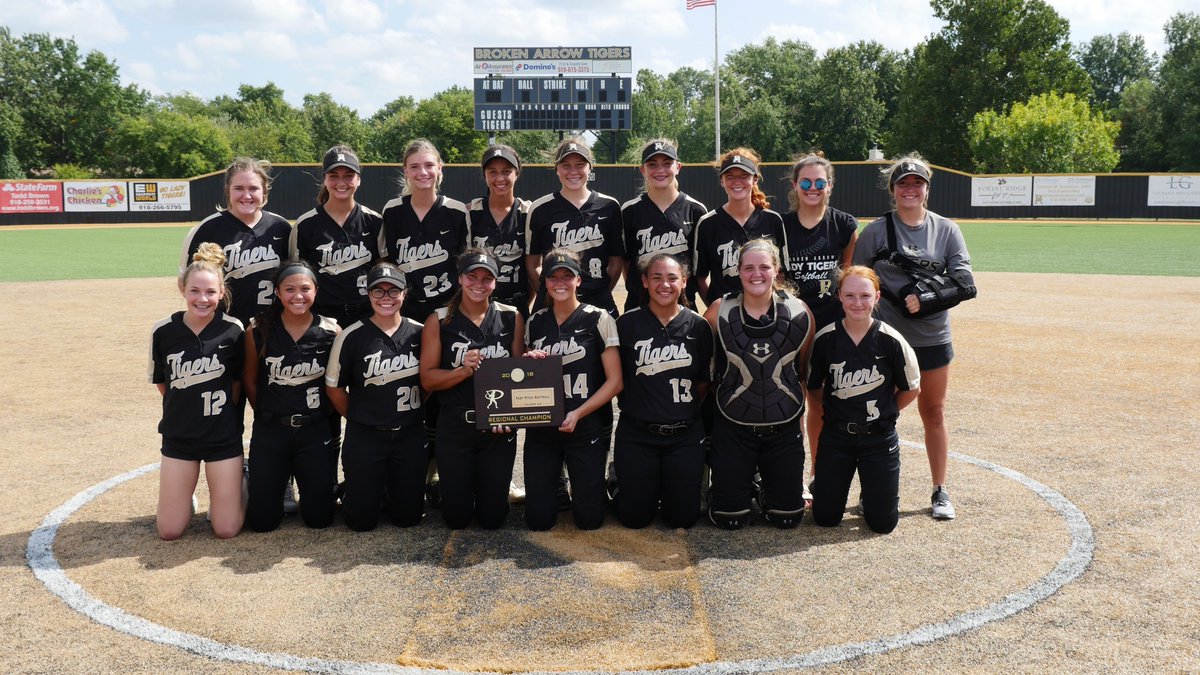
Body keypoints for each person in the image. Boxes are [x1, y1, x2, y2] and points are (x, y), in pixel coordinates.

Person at [852, 154, 977, 520]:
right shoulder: (876, 231)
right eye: (903, 183)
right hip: (886, 336)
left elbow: (965, 282)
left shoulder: (947, 229)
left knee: (933, 412)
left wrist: (928, 296)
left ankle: (940, 490)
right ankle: (872, 490)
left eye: (917, 183)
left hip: (932, 336)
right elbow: (859, 277)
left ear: (927, 189)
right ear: (893, 190)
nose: (910, 189)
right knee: (876, 413)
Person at [704, 239, 814, 530]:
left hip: (782, 427)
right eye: (748, 267)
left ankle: (769, 485)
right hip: (733, 426)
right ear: (738, 271)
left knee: (787, 517)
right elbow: (706, 367)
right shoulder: (719, 311)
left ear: (776, 270)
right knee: (729, 519)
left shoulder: (800, 312)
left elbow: (800, 373)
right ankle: (736, 482)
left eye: (764, 267)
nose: (757, 274)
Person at [806, 266, 921, 534]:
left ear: (877, 297)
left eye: (865, 296)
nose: (857, 303)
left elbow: (911, 388)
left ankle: (878, 495)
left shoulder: (891, 341)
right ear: (839, 297)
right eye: (850, 295)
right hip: (837, 437)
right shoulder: (825, 339)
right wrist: (838, 410)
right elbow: (814, 387)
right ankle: (826, 487)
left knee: (882, 524)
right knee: (825, 517)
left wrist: (885, 411)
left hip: (878, 439)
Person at [419, 250, 524, 529]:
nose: (479, 283)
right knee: (456, 518)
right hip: (456, 425)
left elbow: (520, 376)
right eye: (472, 276)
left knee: (493, 519)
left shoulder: (511, 317)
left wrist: (510, 416)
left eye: (487, 278)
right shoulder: (439, 320)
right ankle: (450, 488)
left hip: (497, 428)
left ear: (495, 282)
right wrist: (462, 371)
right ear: (460, 278)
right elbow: (428, 379)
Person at [149, 243, 245, 540]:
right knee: (169, 531)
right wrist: (187, 407)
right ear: (182, 288)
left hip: (222, 437)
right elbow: (164, 384)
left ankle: (244, 482)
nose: (202, 299)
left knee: (226, 529)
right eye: (195, 291)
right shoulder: (164, 330)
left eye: (210, 293)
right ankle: (184, 499)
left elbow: (238, 384)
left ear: (222, 293)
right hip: (180, 436)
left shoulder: (233, 329)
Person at [523, 249, 623, 530]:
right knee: (539, 521)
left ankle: (611, 478)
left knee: (589, 520)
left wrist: (578, 413)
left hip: (584, 425)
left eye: (567, 276)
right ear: (545, 281)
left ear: (579, 280)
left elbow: (615, 382)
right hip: (543, 428)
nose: (560, 282)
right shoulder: (536, 321)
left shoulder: (598, 318)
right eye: (553, 276)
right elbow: (523, 380)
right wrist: (527, 363)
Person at [779, 152, 859, 500]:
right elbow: (776, 277)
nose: (813, 189)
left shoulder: (844, 225)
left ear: (830, 185)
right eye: (806, 182)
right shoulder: (780, 224)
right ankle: (794, 477)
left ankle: (818, 475)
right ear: (795, 185)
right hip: (793, 325)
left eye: (820, 183)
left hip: (831, 326)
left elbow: (850, 275)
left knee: (822, 402)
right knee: (793, 399)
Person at [613, 254, 712, 528]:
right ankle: (620, 479)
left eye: (672, 278)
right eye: (656, 277)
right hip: (637, 434)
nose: (664, 285)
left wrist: (677, 410)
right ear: (644, 281)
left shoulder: (698, 326)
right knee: (634, 519)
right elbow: (617, 379)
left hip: (684, 435)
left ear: (684, 282)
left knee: (681, 520)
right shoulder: (626, 324)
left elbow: (703, 382)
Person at [325, 263, 427, 530]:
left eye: (393, 291)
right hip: (366, 435)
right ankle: (361, 489)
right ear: (368, 294)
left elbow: (428, 382)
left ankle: (387, 489)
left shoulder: (420, 331)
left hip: (409, 433)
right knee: (360, 523)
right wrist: (362, 415)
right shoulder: (351, 335)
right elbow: (335, 389)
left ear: (405, 293)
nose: (386, 298)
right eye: (378, 291)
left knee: (409, 519)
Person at [242, 261, 340, 532]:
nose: (298, 296)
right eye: (290, 289)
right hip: (271, 429)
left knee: (319, 520)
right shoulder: (259, 329)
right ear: (277, 292)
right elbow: (250, 381)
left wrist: (321, 415)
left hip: (314, 429)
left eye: (305, 289)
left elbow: (335, 383)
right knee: (262, 522)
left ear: (316, 291)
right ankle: (254, 472)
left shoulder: (331, 331)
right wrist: (267, 414)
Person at [180, 158, 292, 326]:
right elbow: (186, 280)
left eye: (254, 188)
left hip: (273, 328)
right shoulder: (206, 229)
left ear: (264, 192)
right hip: (221, 330)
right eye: (239, 188)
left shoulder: (281, 227)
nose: (246, 195)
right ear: (228, 190)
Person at [525, 138, 624, 317]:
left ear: (590, 168)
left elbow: (616, 262)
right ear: (557, 169)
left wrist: (600, 289)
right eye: (566, 165)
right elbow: (533, 264)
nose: (573, 171)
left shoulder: (609, 206)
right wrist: (551, 291)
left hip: (598, 299)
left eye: (580, 164)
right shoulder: (540, 208)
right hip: (552, 300)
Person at [290, 145, 385, 329]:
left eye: (348, 175)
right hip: (321, 317)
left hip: (367, 313)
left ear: (358, 179)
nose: (341, 182)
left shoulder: (374, 221)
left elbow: (384, 269)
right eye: (334, 176)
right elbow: (296, 275)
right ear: (325, 179)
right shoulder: (305, 224)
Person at [382, 139, 469, 323]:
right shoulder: (392, 211)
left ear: (439, 168)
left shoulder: (457, 211)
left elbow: (465, 264)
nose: (422, 172)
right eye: (414, 166)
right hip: (403, 308)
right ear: (405, 170)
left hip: (447, 307)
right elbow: (385, 261)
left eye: (429, 165)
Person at [619, 139, 708, 312]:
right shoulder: (629, 210)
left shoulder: (695, 210)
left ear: (678, 167)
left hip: (684, 307)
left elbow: (699, 268)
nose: (660, 170)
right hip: (639, 307)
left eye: (667, 164)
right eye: (652, 164)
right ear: (643, 170)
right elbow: (627, 263)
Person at [693, 148, 785, 307]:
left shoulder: (772, 220)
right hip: (725, 315)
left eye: (744, 176)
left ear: (755, 179)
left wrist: (773, 305)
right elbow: (700, 276)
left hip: (766, 312)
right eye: (730, 176)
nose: (737, 181)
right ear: (722, 181)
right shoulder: (708, 223)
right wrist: (716, 307)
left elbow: (781, 272)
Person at [467, 144, 533, 316]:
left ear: (517, 173)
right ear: (484, 175)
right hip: (478, 305)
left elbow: (533, 265)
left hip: (516, 306)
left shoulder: (529, 213)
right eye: (492, 171)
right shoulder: (469, 212)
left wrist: (526, 301)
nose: (500, 178)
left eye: (506, 171)